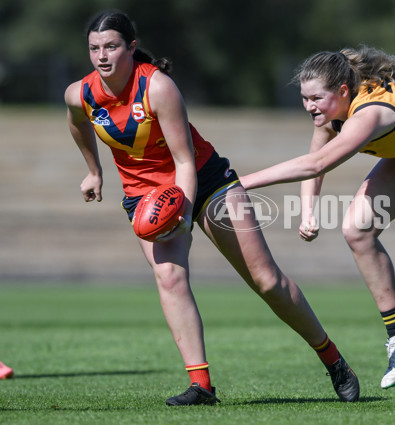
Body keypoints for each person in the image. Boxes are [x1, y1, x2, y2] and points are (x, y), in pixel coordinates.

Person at [64, 10, 359, 405]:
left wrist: (185, 214)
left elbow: (185, 161)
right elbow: (77, 122)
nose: (102, 56)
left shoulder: (157, 88)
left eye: (112, 46)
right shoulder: (79, 94)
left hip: (205, 181)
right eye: (94, 48)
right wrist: (93, 171)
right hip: (144, 195)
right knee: (169, 278)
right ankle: (201, 386)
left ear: (131, 48)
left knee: (267, 280)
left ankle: (333, 359)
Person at [240, 46, 395, 400]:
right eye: (304, 98)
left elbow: (315, 165)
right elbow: (317, 159)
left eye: (317, 98)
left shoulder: (369, 115)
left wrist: (238, 183)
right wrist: (308, 211)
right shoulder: (331, 116)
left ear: (344, 91)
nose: (309, 106)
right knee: (356, 229)